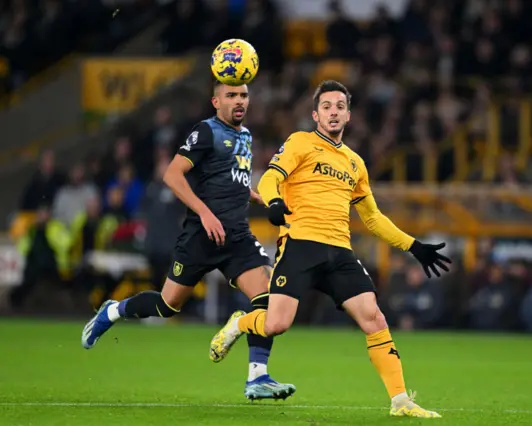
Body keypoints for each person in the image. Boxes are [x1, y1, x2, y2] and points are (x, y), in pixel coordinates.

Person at [210, 80, 451, 418]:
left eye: (339, 106)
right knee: (277, 324)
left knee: (375, 318)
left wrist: (413, 246)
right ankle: (239, 324)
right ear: (315, 114)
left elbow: (373, 218)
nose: (333, 112)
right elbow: (268, 178)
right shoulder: (301, 142)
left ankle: (400, 401)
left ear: (348, 115)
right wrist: (275, 201)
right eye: (327, 106)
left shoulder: (356, 163)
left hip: (339, 252)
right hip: (300, 245)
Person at [81, 81, 296, 401]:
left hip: (236, 236)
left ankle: (257, 377)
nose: (239, 102)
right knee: (168, 305)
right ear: (215, 101)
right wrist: (205, 214)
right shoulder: (207, 131)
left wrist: (257, 198)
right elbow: (172, 175)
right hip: (201, 236)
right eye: (231, 96)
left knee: (267, 295)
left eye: (244, 95)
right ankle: (113, 311)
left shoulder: (246, 137)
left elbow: (233, 183)